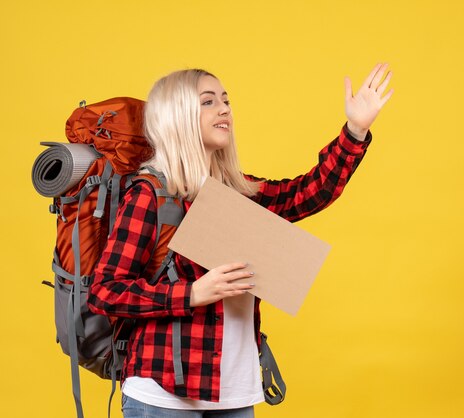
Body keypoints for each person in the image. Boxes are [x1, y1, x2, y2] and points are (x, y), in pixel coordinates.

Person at [87, 63, 393, 418]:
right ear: (177, 115)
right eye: (208, 102)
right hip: (163, 395)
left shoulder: (238, 192)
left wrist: (355, 130)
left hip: (234, 394)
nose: (224, 109)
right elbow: (104, 290)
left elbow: (309, 192)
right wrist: (192, 294)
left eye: (226, 100)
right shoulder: (151, 194)